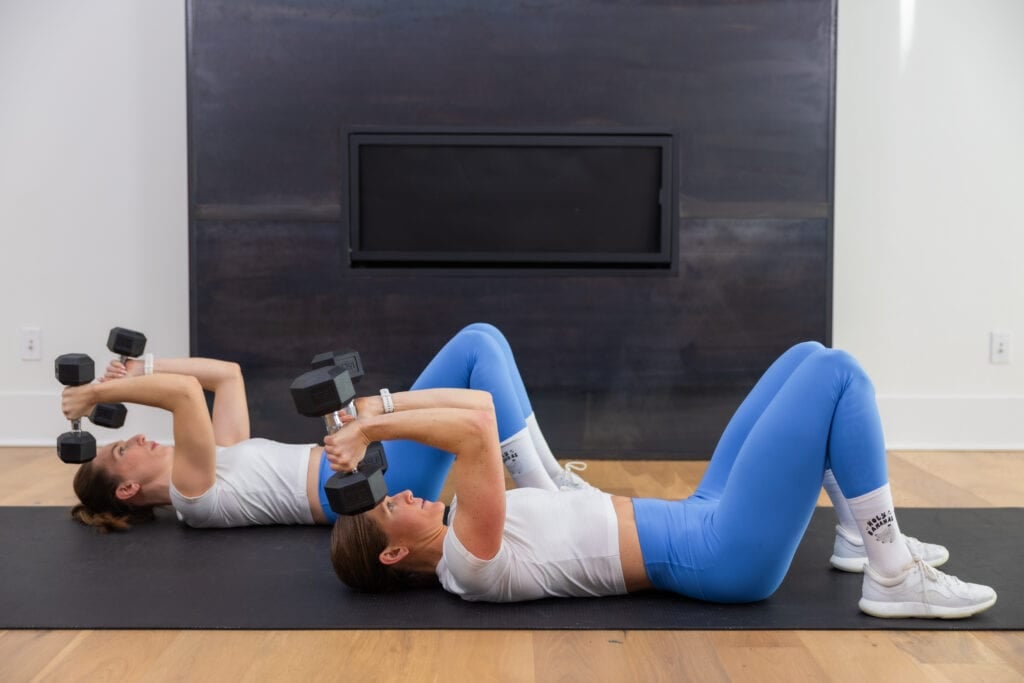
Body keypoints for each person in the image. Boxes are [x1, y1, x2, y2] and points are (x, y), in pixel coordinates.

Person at [328, 341, 997, 619]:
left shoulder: (457, 535)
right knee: (839, 375)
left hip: (698, 513)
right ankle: (892, 572)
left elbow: (479, 409)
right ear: (394, 552)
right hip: (721, 554)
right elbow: (474, 432)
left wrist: (372, 410)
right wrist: (374, 433)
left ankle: (859, 538)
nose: (409, 492)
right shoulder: (464, 561)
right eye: (393, 509)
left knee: (808, 356)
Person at [60, 324, 588, 532]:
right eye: (123, 450)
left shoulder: (217, 458)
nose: (138, 438)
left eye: (125, 436)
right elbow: (184, 396)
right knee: (476, 349)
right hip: (377, 483)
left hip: (365, 457)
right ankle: (553, 495)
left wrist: (140, 369)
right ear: (128, 488)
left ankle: (554, 484)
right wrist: (97, 393)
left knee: (482, 340)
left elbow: (226, 376)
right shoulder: (193, 495)